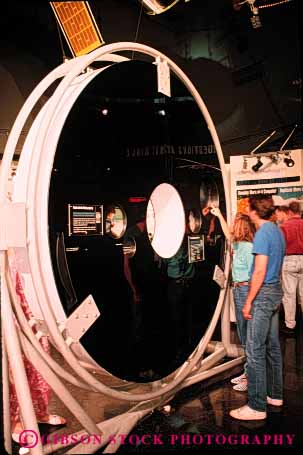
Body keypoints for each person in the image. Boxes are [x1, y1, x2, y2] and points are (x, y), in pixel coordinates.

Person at [230, 195, 285, 421]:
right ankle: (275, 395)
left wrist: (249, 301)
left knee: (254, 350)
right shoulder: (277, 230)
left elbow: (259, 271)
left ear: (253, 210)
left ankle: (256, 406)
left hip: (262, 295)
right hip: (275, 291)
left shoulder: (262, 233)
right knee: (272, 346)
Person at [7, 249, 66, 444]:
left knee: (41, 347)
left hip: (30, 271)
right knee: (13, 355)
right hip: (10, 276)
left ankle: (39, 411)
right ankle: (14, 419)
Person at [211, 208, 255, 392]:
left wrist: (250, 302)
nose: (233, 227)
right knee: (244, 335)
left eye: (236, 224)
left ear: (242, 227)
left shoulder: (248, 248)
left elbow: (255, 276)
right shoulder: (239, 244)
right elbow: (228, 234)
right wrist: (219, 214)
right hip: (239, 290)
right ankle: (248, 373)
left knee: (249, 337)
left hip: (245, 291)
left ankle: (252, 378)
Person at [161, 234, 195, 366]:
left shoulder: (190, 243)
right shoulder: (168, 247)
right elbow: (163, 264)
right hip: (175, 285)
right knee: (176, 319)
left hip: (188, 284)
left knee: (187, 317)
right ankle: (179, 350)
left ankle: (188, 349)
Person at [279, 201, 303, 334]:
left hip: (289, 259)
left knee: (289, 295)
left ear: (289, 212)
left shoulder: (284, 226)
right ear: (299, 211)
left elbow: (281, 246)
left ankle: (290, 326)